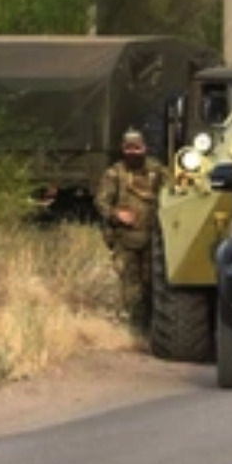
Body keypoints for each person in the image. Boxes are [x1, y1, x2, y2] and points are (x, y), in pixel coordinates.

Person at [95, 129, 164, 331]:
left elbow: (172, 196)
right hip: (125, 240)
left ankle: (153, 328)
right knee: (130, 286)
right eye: (129, 148)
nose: (133, 152)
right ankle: (134, 329)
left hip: (154, 239)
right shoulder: (115, 173)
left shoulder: (157, 171)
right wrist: (117, 214)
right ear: (123, 149)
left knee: (153, 284)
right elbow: (101, 202)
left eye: (137, 148)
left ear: (144, 147)